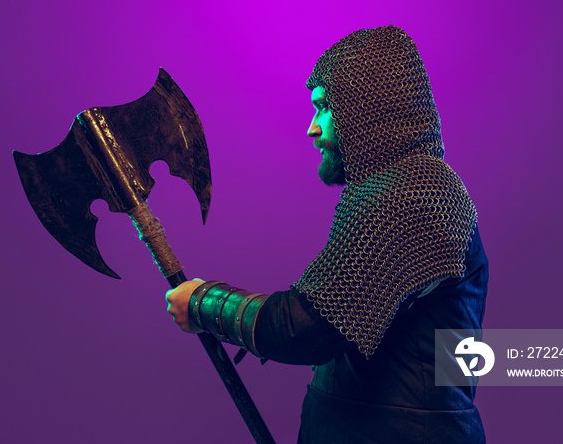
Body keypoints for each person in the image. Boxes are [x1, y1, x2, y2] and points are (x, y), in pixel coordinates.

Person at [166, 25, 488, 444]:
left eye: (322, 108)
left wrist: (203, 303)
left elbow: (306, 329)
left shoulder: (414, 196)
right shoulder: (391, 192)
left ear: (367, 108)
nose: (311, 129)